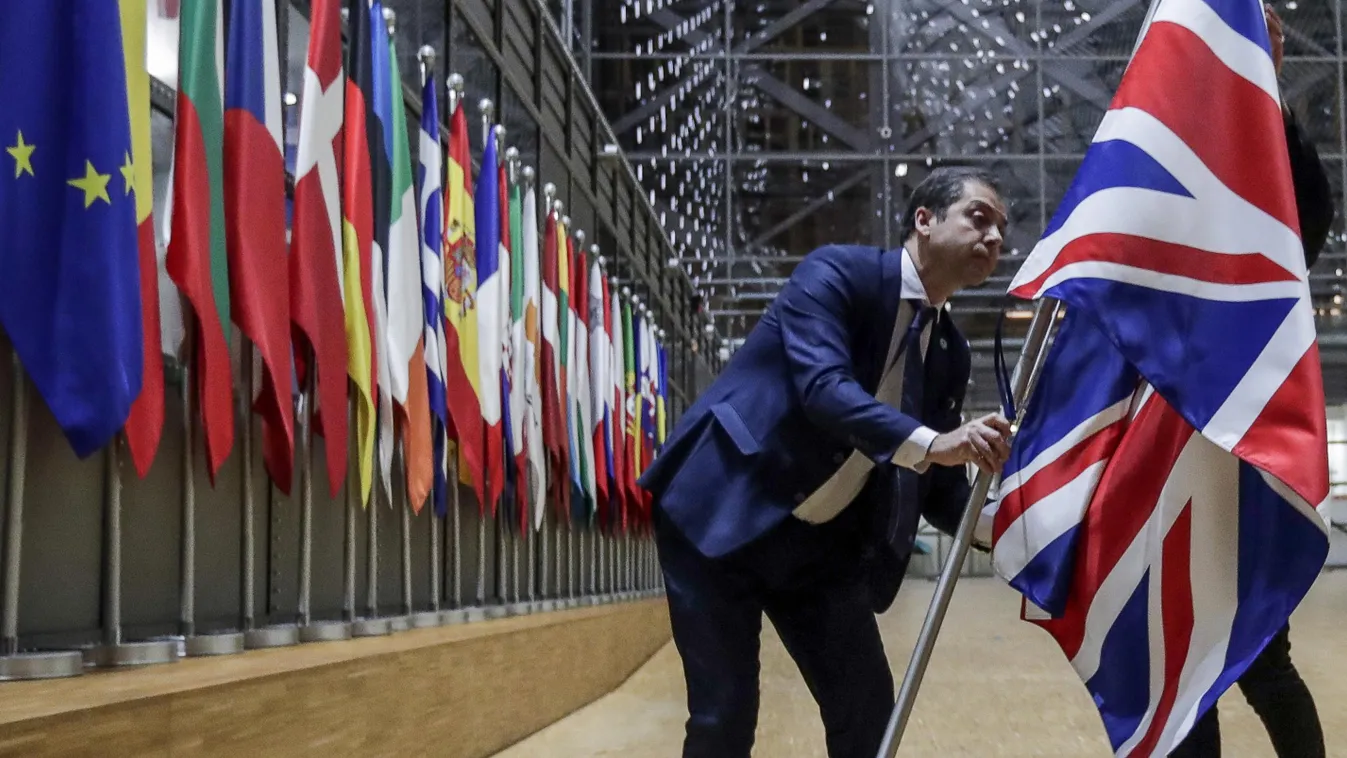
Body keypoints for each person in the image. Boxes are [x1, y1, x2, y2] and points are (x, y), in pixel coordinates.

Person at [638, 166, 1014, 758]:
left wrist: (1013, 527)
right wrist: (935, 442)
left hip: (819, 548)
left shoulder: (948, 351)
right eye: (979, 217)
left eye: (1002, 229)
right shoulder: (836, 272)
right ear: (924, 220)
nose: (994, 238)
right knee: (725, 717)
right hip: (723, 509)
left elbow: (940, 491)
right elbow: (825, 390)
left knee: (868, 715)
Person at [1168, 6, 1334, 757]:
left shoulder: (1273, 260)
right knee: (1181, 667)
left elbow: (1306, 210)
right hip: (1169, 446)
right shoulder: (1167, 167)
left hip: (1246, 444)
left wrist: (1257, 81)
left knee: (1265, 664)